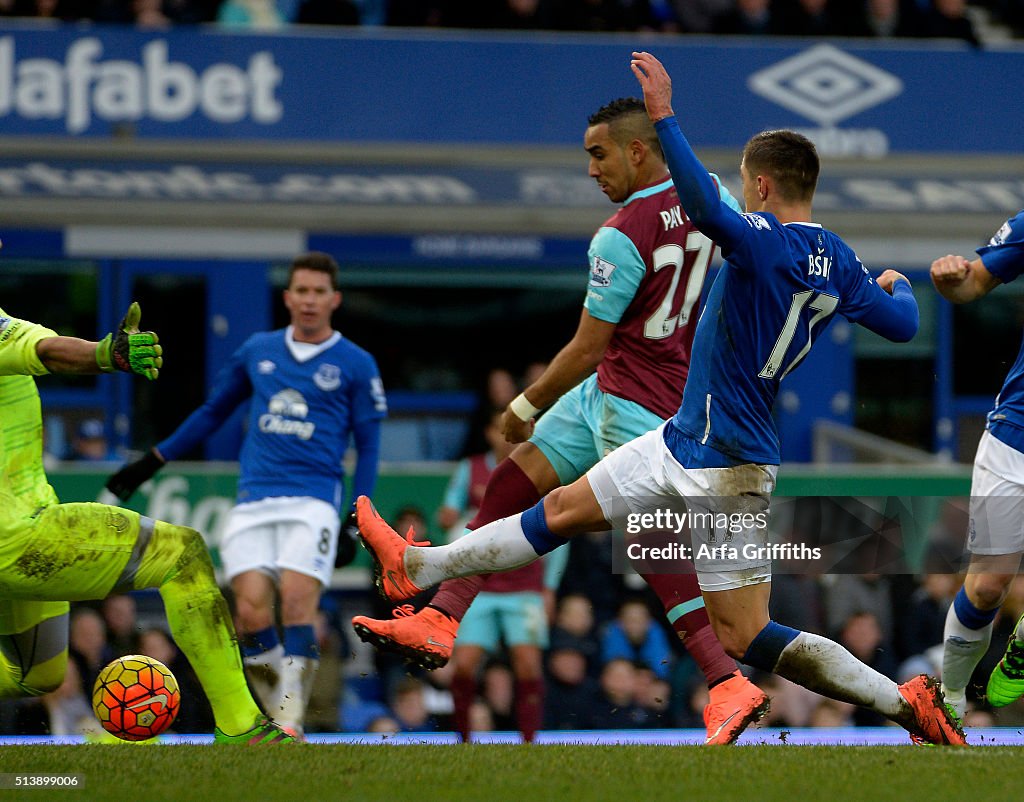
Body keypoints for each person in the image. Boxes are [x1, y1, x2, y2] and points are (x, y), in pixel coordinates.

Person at [353, 51, 968, 746]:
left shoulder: (762, 239)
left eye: (745, 183)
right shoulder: (844, 262)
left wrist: (667, 116)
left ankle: (903, 702)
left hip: (727, 464)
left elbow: (704, 207)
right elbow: (906, 325)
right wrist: (902, 286)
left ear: (761, 185)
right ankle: (416, 569)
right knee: (556, 510)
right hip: (682, 436)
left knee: (746, 632)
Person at [352, 96, 770, 745]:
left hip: (633, 400)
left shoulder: (621, 233)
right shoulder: (712, 193)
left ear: (636, 151)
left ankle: (725, 683)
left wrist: (522, 407)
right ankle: (440, 616)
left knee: (650, 543)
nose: (590, 169)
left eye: (598, 154)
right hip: (630, 385)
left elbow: (585, 346)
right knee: (512, 484)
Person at [105, 252, 387, 739]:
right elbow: (213, 412)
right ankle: (276, 708)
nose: (310, 300)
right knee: (251, 612)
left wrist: (356, 517)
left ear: (334, 299)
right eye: (301, 290)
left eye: (319, 292)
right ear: (288, 297)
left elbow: (370, 446)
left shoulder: (356, 363)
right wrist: (155, 458)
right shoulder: (258, 350)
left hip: (313, 501)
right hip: (254, 498)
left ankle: (289, 720)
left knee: (298, 604)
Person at [0, 302, 291, 744]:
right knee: (182, 554)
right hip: (15, 535)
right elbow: (48, 351)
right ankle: (242, 726)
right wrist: (105, 354)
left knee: (38, 674)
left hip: (25, 517)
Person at [931, 210, 1024, 723]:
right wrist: (951, 282)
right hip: (1016, 435)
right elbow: (972, 287)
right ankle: (949, 697)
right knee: (989, 585)